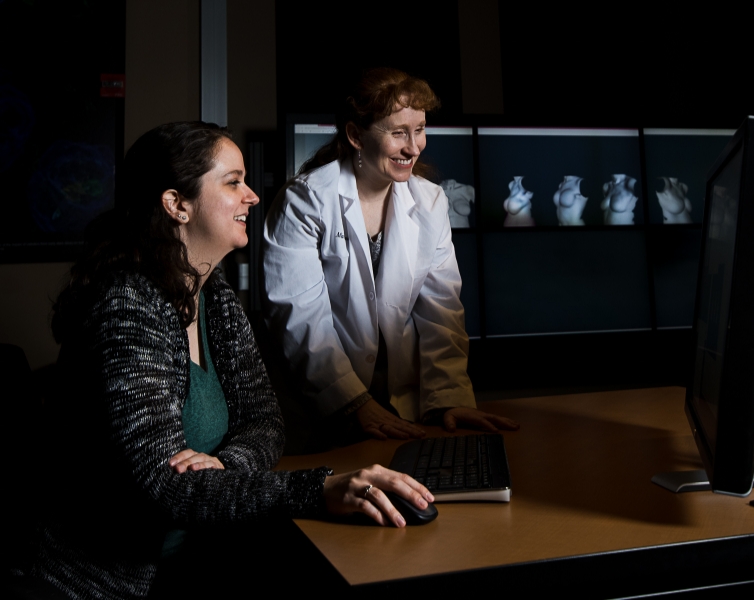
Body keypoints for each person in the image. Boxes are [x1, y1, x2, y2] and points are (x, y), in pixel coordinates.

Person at [11, 122, 433, 600]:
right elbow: (163, 487)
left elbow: (266, 423)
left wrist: (223, 466)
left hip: (198, 557)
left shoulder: (217, 300)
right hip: (103, 583)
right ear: (177, 204)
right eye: (233, 182)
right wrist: (317, 491)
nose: (252, 196)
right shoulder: (127, 305)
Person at [263, 68, 518, 448]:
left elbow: (441, 313)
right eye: (398, 132)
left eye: (419, 130)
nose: (414, 147)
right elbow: (301, 319)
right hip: (318, 406)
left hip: (401, 403)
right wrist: (353, 403)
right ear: (355, 136)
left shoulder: (430, 202)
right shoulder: (307, 200)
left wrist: (448, 400)